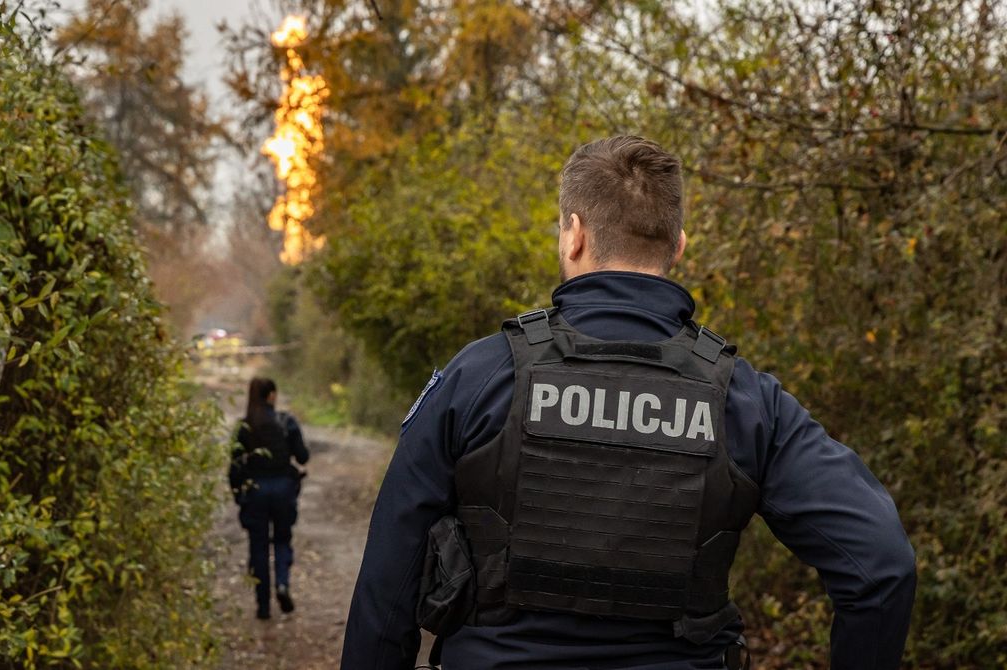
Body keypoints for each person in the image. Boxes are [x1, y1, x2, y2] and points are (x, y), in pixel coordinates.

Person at [341, 136, 916, 669]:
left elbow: (387, 593)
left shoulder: (479, 378)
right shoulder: (744, 401)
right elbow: (880, 567)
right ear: (678, 246)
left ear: (574, 234)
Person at [231, 377, 309, 620]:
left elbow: (234, 467)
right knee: (283, 539)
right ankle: (282, 584)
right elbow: (303, 457)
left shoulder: (243, 427)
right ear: (271, 395)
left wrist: (238, 496)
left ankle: (262, 606)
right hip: (283, 489)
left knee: (258, 548)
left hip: (255, 492)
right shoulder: (286, 422)